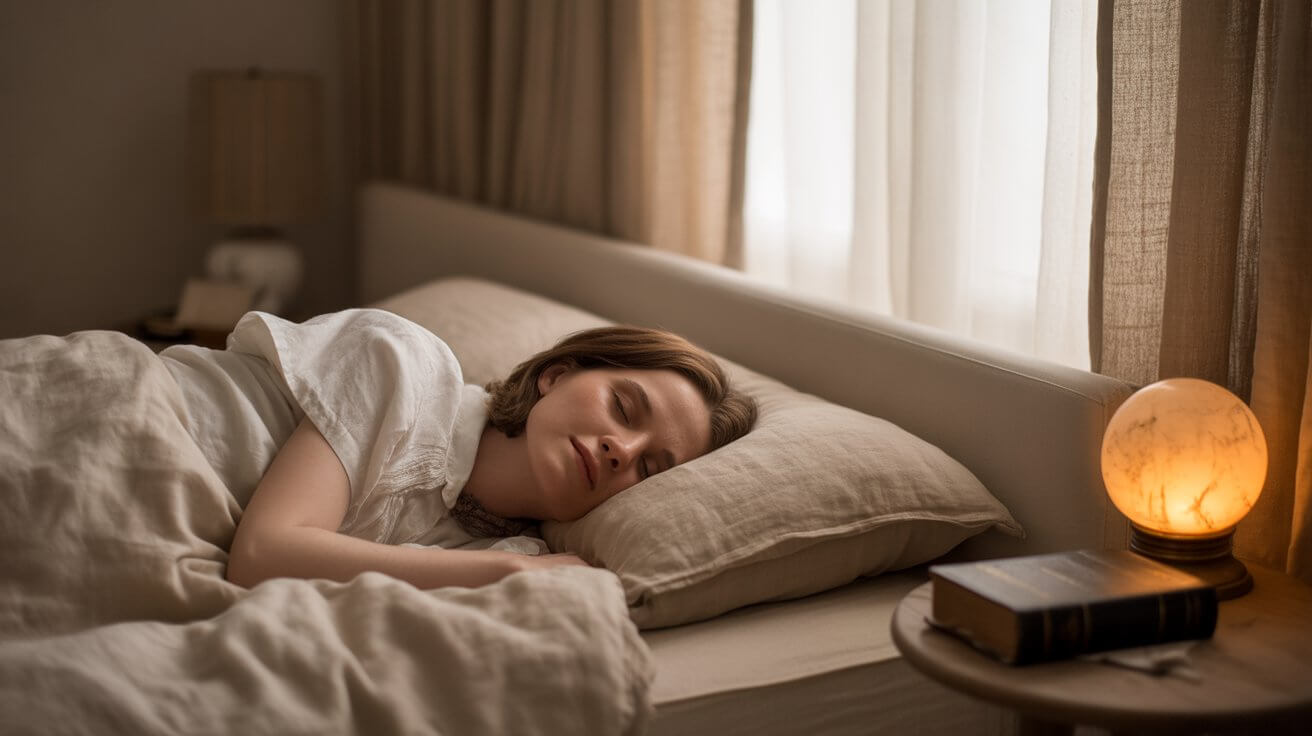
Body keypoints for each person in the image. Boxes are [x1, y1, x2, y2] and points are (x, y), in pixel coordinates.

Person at [157, 308, 757, 591]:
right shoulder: (406, 367)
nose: (620, 450)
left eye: (650, 468)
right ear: (557, 375)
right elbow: (263, 553)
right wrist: (508, 571)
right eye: (623, 409)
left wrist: (513, 567)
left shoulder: (508, 551)